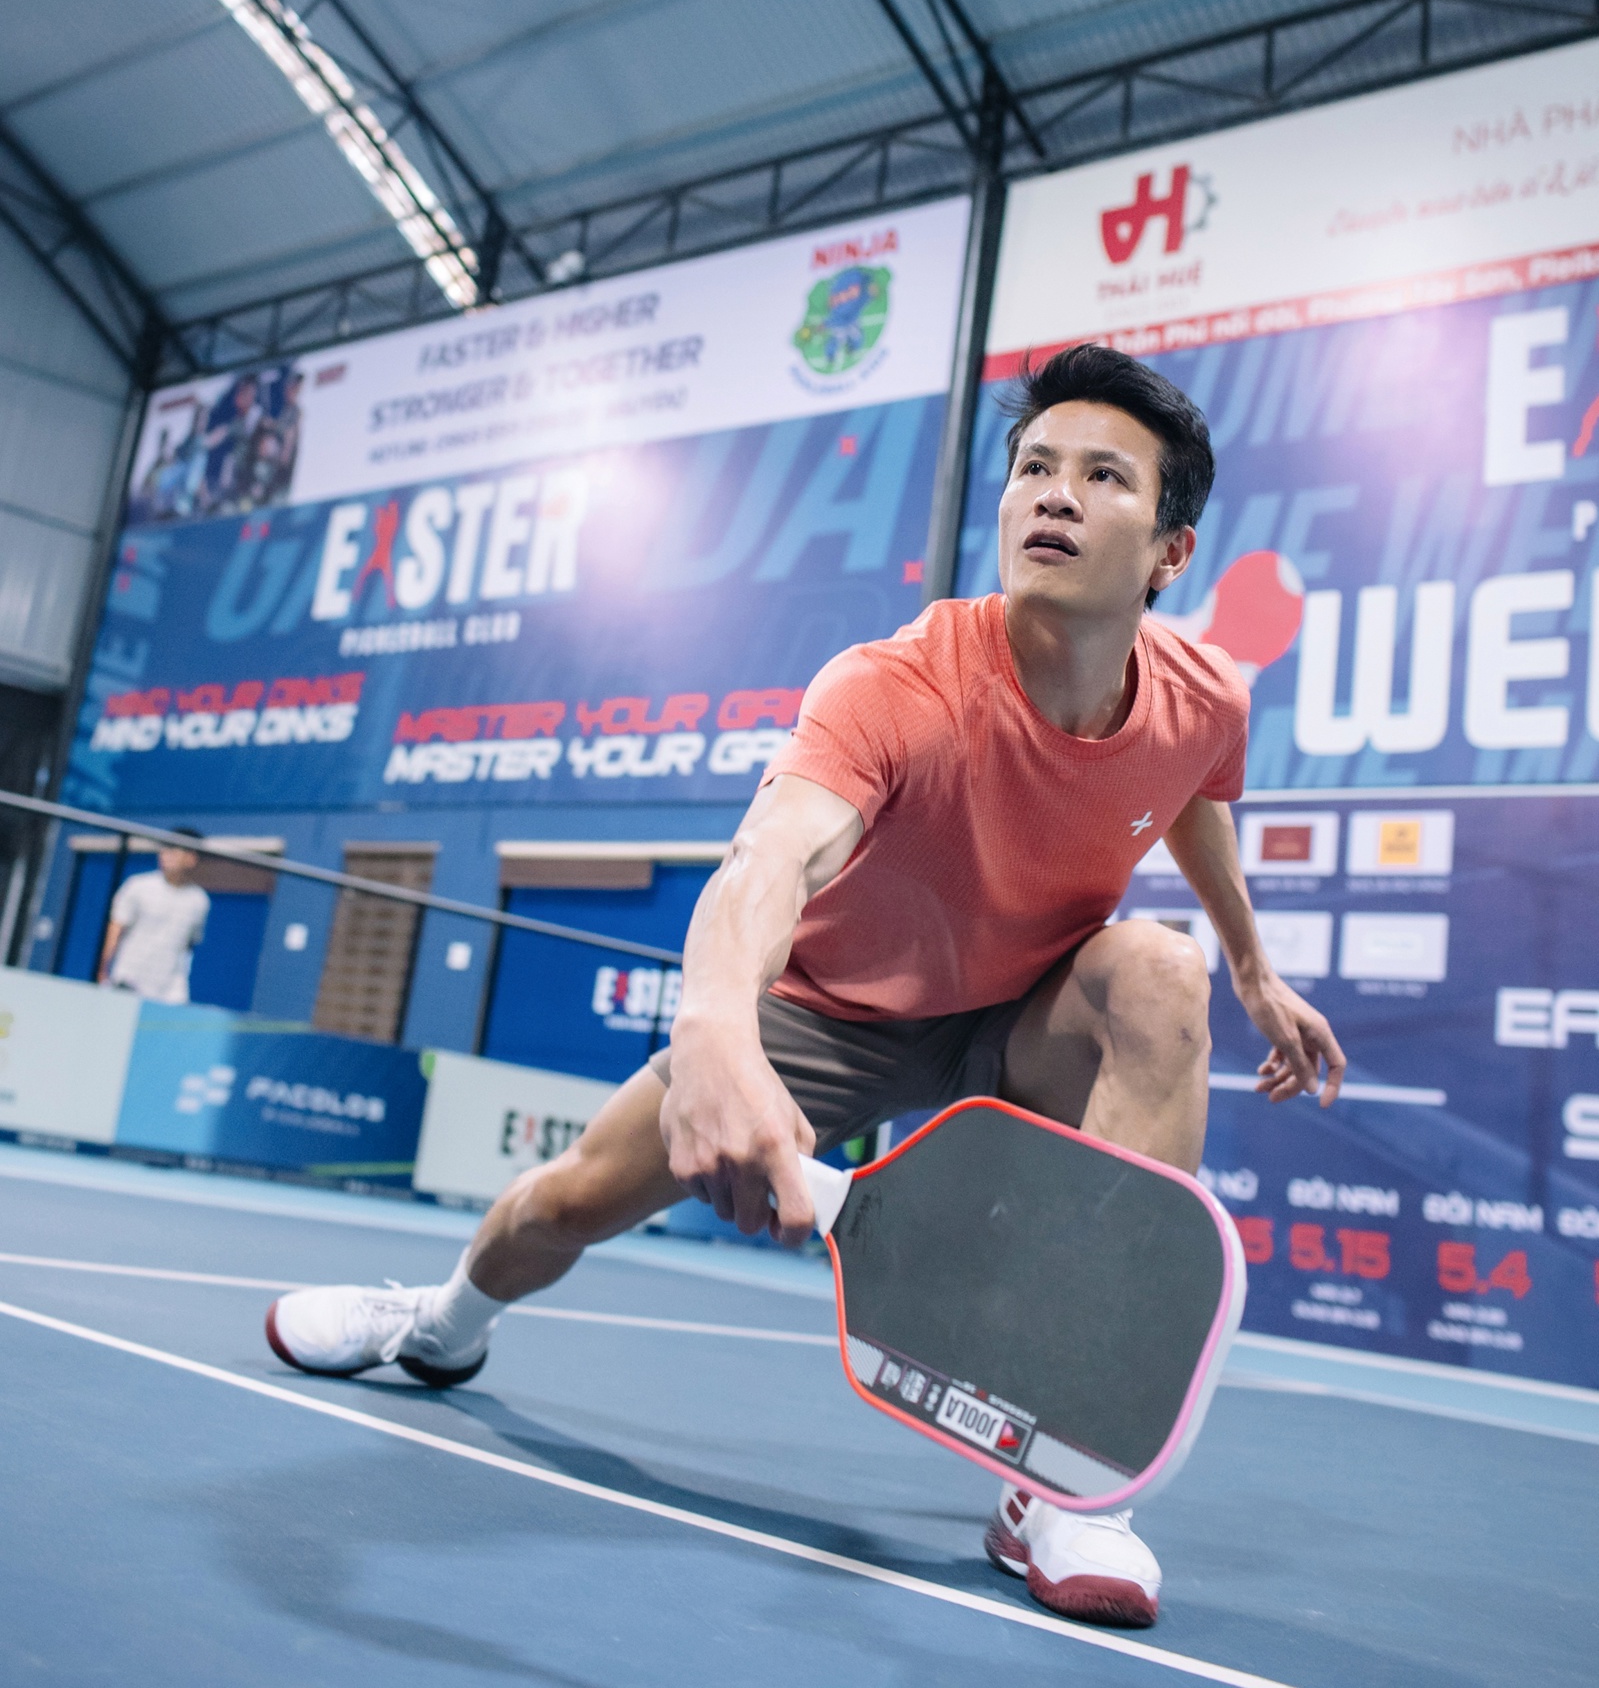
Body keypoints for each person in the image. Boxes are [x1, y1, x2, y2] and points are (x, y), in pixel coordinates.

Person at [265, 345, 1345, 1628]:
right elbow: (772, 858)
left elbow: (1195, 794)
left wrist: (1252, 966)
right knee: (564, 1204)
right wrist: (717, 1031)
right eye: (1035, 467)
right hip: (833, 1014)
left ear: (1170, 551)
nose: (1054, 494)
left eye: (1104, 476)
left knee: (1160, 973)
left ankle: (1066, 1474)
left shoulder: (1205, 698)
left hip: (1019, 1014)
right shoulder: (900, 685)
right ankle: (436, 1322)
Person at [98, 828, 210, 1004]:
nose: (165, 854)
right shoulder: (137, 885)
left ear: (192, 858)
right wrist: (103, 969)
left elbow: (190, 945)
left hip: (170, 992)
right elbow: (116, 928)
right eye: (164, 848)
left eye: (173, 850)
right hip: (128, 980)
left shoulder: (200, 901)